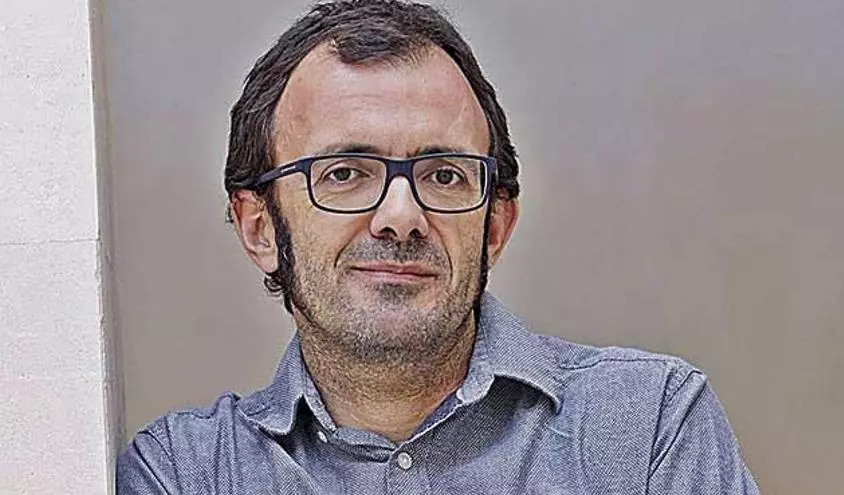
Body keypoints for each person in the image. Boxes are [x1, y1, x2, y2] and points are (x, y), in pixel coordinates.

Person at [117, 1, 760, 493]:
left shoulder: (648, 427)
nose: (401, 217)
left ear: (496, 227)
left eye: (445, 175)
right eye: (344, 173)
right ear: (260, 228)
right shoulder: (186, 473)